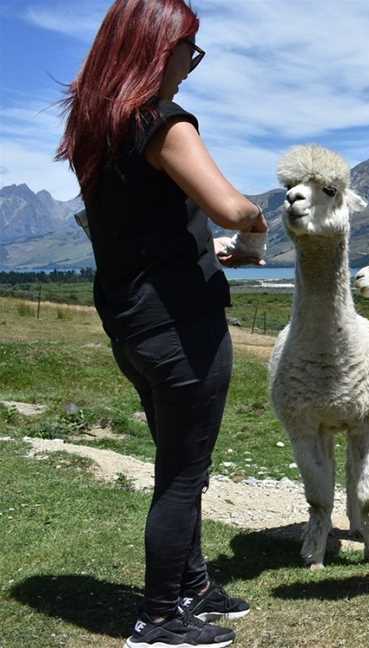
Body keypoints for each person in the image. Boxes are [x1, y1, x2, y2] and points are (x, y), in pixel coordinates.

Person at [56, 1, 266, 646]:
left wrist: (203, 250)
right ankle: (157, 617)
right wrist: (256, 227)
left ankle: (193, 585)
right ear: (157, 48)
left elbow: (130, 225)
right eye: (188, 51)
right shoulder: (163, 120)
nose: (190, 68)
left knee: (180, 458)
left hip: (131, 318)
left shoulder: (96, 127)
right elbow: (230, 206)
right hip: (181, 322)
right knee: (182, 473)